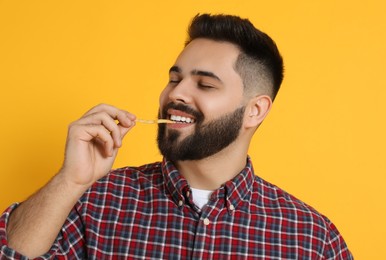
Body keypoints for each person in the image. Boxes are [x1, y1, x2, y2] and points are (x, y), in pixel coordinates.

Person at [0, 14, 353, 259]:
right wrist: (70, 180)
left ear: (255, 110)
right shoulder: (96, 202)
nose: (176, 93)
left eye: (205, 84)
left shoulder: (312, 238)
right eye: (174, 78)